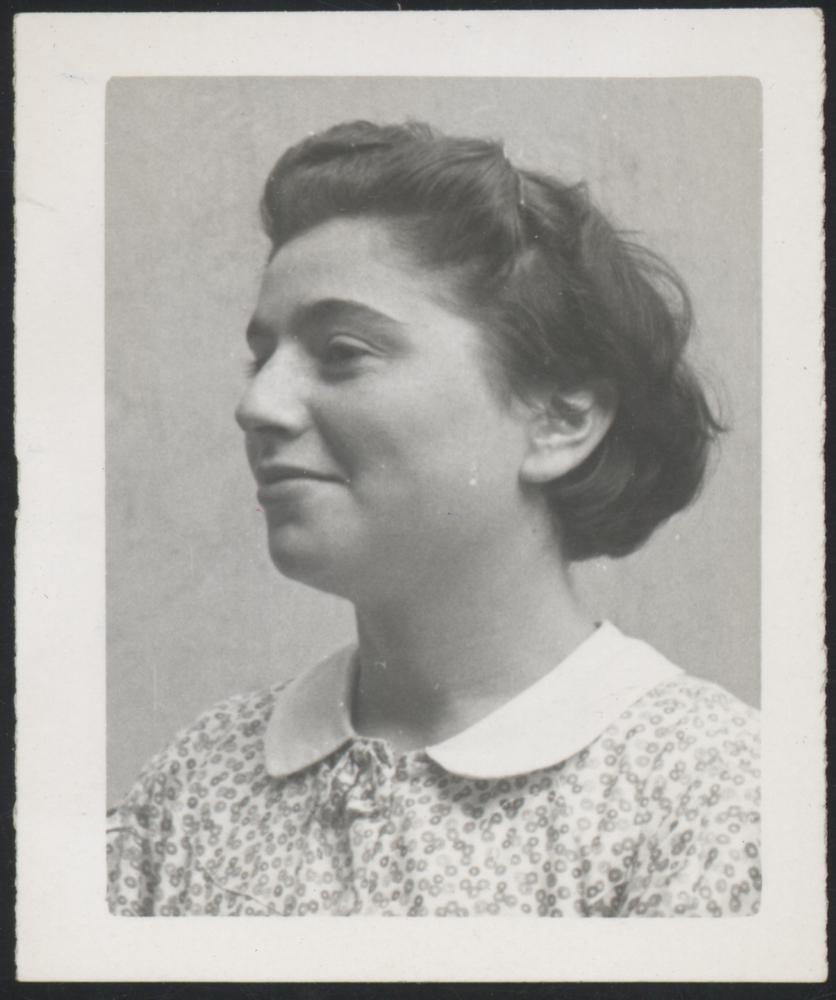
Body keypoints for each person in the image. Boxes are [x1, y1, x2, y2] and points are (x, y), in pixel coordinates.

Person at [107, 120, 760, 917]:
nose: (257, 405)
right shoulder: (198, 781)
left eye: (342, 351)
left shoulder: (708, 799)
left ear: (559, 418)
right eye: (262, 357)